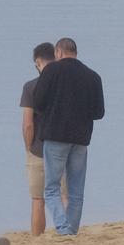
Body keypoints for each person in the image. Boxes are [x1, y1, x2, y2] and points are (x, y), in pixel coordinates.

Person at [30, 37, 106, 235]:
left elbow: (38, 102)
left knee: (52, 187)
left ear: (59, 53)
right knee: (76, 190)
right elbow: (99, 112)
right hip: (81, 139)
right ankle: (70, 230)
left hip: (55, 136)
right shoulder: (92, 76)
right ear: (75, 52)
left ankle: (63, 229)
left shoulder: (51, 71)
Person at [19, 42, 55, 235]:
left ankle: (37, 240)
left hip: (38, 149)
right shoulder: (63, 86)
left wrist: (28, 146)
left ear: (38, 62)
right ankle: (66, 236)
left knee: (37, 199)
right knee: (64, 196)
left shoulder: (30, 87)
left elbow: (28, 124)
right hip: (62, 146)